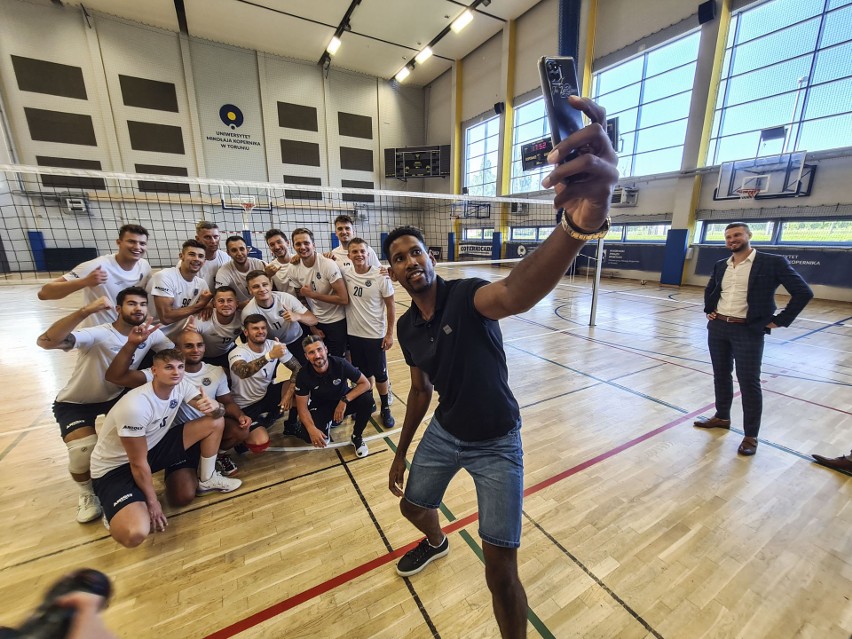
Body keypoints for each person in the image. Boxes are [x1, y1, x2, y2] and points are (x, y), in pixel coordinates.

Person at [384, 96, 617, 639]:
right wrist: (401, 451)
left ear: (431, 257)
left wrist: (575, 227)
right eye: (399, 258)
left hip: (497, 443)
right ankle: (437, 540)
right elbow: (418, 392)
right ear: (392, 273)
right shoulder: (407, 328)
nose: (411, 261)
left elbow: (516, 291)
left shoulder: (467, 298)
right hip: (444, 432)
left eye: (417, 251)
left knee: (500, 572)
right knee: (412, 509)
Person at [36, 287, 173, 523]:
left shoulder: (151, 334)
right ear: (118, 309)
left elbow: (173, 355)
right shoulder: (99, 334)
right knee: (83, 449)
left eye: (142, 304)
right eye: (132, 304)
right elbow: (46, 342)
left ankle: (118, 494)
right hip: (77, 401)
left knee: (127, 449)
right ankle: (87, 494)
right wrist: (84, 311)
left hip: (116, 398)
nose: (138, 308)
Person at [90, 349, 241, 548]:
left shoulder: (182, 385)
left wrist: (213, 406)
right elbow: (137, 462)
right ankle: (112, 505)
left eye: (180, 367)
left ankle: (207, 478)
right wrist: (153, 502)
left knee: (215, 422)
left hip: (152, 449)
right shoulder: (135, 407)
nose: (176, 372)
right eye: (168, 367)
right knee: (134, 533)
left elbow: (218, 413)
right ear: (154, 371)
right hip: (116, 468)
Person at [693, 222, 813, 456]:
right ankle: (722, 417)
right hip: (718, 328)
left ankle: (750, 436)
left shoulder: (772, 262)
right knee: (721, 375)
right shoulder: (721, 265)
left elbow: (803, 292)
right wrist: (709, 309)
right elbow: (712, 289)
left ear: (749, 236)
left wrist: (779, 320)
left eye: (737, 235)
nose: (731, 240)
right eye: (728, 237)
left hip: (748, 331)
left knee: (748, 382)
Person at [106, 327, 252, 478]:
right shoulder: (162, 374)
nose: (195, 350)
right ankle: (192, 463)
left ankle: (214, 458)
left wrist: (240, 415)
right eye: (189, 346)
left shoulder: (216, 371)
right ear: (178, 349)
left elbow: (227, 403)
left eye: (199, 345)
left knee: (240, 430)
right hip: (181, 435)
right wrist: (131, 344)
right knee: (182, 496)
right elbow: (115, 377)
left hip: (211, 430)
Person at [38, 224, 151, 327]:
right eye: (131, 241)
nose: (137, 247)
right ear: (119, 242)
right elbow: (44, 294)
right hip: (99, 335)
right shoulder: (96, 266)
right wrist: (85, 281)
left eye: (142, 243)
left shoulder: (144, 266)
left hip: (130, 333)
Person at [341, 237, 395, 427]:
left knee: (380, 375)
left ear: (368, 253)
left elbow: (391, 306)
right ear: (349, 255)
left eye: (362, 251)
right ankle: (368, 402)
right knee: (363, 374)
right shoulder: (345, 273)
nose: (359, 255)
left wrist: (389, 334)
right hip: (354, 334)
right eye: (354, 251)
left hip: (375, 335)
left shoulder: (380, 276)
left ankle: (385, 406)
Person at [228, 314, 302, 444]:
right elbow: (243, 372)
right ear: (246, 332)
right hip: (245, 405)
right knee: (260, 442)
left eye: (263, 328)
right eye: (255, 328)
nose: (260, 331)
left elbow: (298, 368)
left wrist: (288, 394)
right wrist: (270, 356)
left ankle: (290, 424)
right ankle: (255, 428)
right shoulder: (237, 352)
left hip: (265, 395)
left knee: (301, 391)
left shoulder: (273, 345)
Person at [294, 335, 373, 456]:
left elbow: (366, 384)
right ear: (306, 356)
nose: (317, 355)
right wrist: (312, 429)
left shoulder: (340, 363)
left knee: (367, 399)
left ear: (326, 349)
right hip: (321, 406)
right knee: (308, 436)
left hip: (343, 402)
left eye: (319, 349)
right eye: (311, 352)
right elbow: (302, 408)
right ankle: (328, 422)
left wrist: (344, 401)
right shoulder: (303, 375)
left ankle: (357, 437)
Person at [287, 228, 349, 357]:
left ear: (313, 245)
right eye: (298, 244)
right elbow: (302, 301)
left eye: (306, 243)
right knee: (321, 360)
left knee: (339, 361)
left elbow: (343, 299)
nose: (302, 247)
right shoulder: (293, 268)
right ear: (293, 247)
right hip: (315, 321)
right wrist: (312, 326)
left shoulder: (328, 264)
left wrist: (313, 295)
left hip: (336, 321)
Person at [242, 270, 318, 367]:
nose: (262, 289)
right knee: (266, 376)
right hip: (270, 345)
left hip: (296, 339)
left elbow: (313, 320)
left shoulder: (286, 299)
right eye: (256, 286)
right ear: (249, 290)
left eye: (264, 284)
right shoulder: (248, 312)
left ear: (271, 284)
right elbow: (251, 340)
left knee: (306, 368)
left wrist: (297, 316)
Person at [147, 239, 213, 339]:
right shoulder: (164, 277)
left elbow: (208, 303)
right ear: (181, 256)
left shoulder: (201, 283)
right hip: (153, 337)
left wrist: (208, 305)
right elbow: (166, 317)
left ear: (204, 261)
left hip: (180, 339)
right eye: (191, 254)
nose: (196, 259)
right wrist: (200, 305)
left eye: (200, 256)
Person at [193, 285, 244, 369]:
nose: (226, 304)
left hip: (227, 352)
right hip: (203, 357)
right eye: (221, 301)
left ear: (237, 303)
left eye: (230, 300)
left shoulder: (243, 317)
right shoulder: (202, 319)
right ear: (214, 304)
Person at [214, 236, 267, 305]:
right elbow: (220, 295)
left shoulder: (260, 265)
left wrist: (269, 275)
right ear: (228, 253)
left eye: (242, 249)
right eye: (234, 250)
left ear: (247, 250)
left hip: (262, 304)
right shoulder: (224, 271)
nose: (239, 253)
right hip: (240, 309)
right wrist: (238, 305)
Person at [191, 221, 231, 290]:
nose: (213, 241)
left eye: (216, 237)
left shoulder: (226, 258)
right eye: (207, 237)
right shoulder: (189, 262)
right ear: (197, 239)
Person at [265, 228, 295, 293]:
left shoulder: (300, 259)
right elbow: (267, 291)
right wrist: (268, 276)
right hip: (285, 302)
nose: (277, 247)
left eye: (279, 242)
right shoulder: (271, 268)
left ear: (287, 243)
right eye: (272, 245)